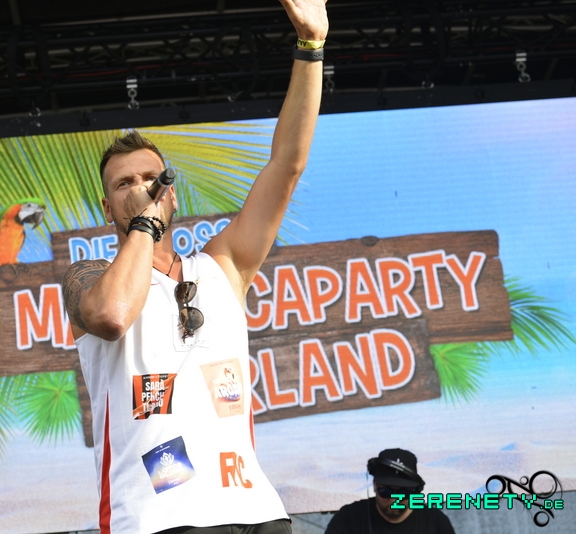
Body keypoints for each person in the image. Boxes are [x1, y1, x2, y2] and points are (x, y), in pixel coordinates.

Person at [62, 1, 328, 532]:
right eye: (124, 184)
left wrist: (311, 47)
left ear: (172, 193)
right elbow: (112, 316)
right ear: (107, 208)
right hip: (156, 519)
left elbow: (286, 166)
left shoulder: (222, 265)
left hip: (255, 512)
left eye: (150, 178)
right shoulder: (85, 276)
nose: (140, 188)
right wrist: (144, 225)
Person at [324, 448, 456, 534]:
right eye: (386, 492)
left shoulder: (436, 522)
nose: (394, 500)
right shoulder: (348, 519)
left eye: (404, 493)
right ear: (375, 486)